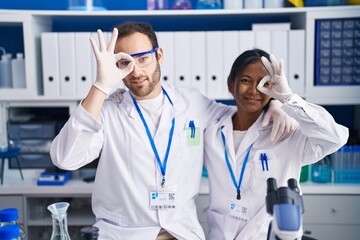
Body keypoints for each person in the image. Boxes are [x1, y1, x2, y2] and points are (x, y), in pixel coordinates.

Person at [50, 22, 296, 240]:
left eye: (143, 58)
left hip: (181, 233)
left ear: (159, 55)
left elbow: (239, 113)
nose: (135, 71)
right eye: (124, 62)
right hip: (124, 233)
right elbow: (66, 158)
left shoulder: (191, 103)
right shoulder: (106, 110)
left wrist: (276, 103)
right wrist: (100, 86)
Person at [203, 49, 349, 240]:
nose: (255, 90)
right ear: (231, 84)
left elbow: (335, 137)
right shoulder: (212, 129)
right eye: (246, 80)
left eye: (265, 84)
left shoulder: (287, 131)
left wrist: (286, 99)